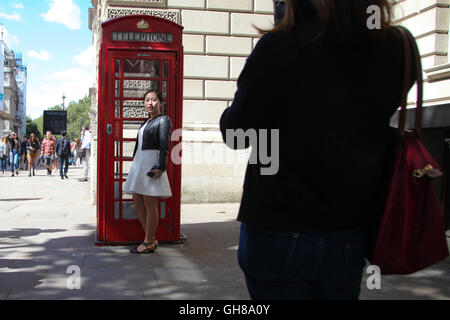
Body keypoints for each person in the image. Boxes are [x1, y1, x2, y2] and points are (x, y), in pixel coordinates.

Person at [219, 0, 417, 300]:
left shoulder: (280, 46)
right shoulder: (397, 48)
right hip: (348, 232)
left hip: (278, 227)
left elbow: (236, 134)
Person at [123, 89, 172, 254]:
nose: (150, 103)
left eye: (154, 100)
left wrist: (160, 166)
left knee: (150, 204)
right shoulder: (145, 122)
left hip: (152, 163)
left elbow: (165, 144)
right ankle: (151, 238)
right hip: (140, 163)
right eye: (147, 100)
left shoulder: (164, 120)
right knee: (137, 200)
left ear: (160, 102)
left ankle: (148, 242)